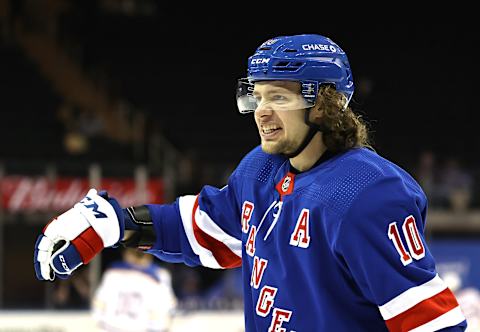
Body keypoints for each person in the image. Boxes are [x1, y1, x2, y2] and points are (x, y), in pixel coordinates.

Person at [34, 34, 467, 331]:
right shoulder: (259, 170)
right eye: (257, 96)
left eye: (279, 96)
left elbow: (431, 322)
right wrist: (116, 222)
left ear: (327, 104)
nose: (261, 110)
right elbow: (208, 233)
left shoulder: (367, 193)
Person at [91, 247, 177, 331]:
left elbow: (98, 304)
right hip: (142, 328)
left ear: (126, 253)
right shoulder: (159, 275)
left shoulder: (112, 272)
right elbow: (168, 310)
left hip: (111, 326)